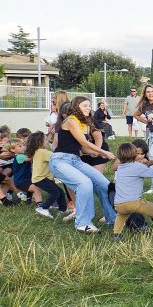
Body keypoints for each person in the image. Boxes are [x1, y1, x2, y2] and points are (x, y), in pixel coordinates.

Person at [49, 96, 117, 232]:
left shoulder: (84, 123)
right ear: (76, 107)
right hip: (60, 160)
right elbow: (84, 142)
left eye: (89, 105)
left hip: (75, 160)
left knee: (104, 184)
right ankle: (82, 223)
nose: (89, 108)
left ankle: (113, 218)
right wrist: (104, 151)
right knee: (84, 183)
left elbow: (82, 147)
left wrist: (95, 153)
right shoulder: (71, 120)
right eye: (85, 105)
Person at [25, 131, 67, 217]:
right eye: (45, 139)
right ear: (40, 142)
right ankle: (43, 208)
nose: (47, 141)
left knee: (60, 192)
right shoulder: (42, 152)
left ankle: (62, 210)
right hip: (41, 178)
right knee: (55, 192)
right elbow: (56, 157)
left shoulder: (38, 151)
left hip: (43, 178)